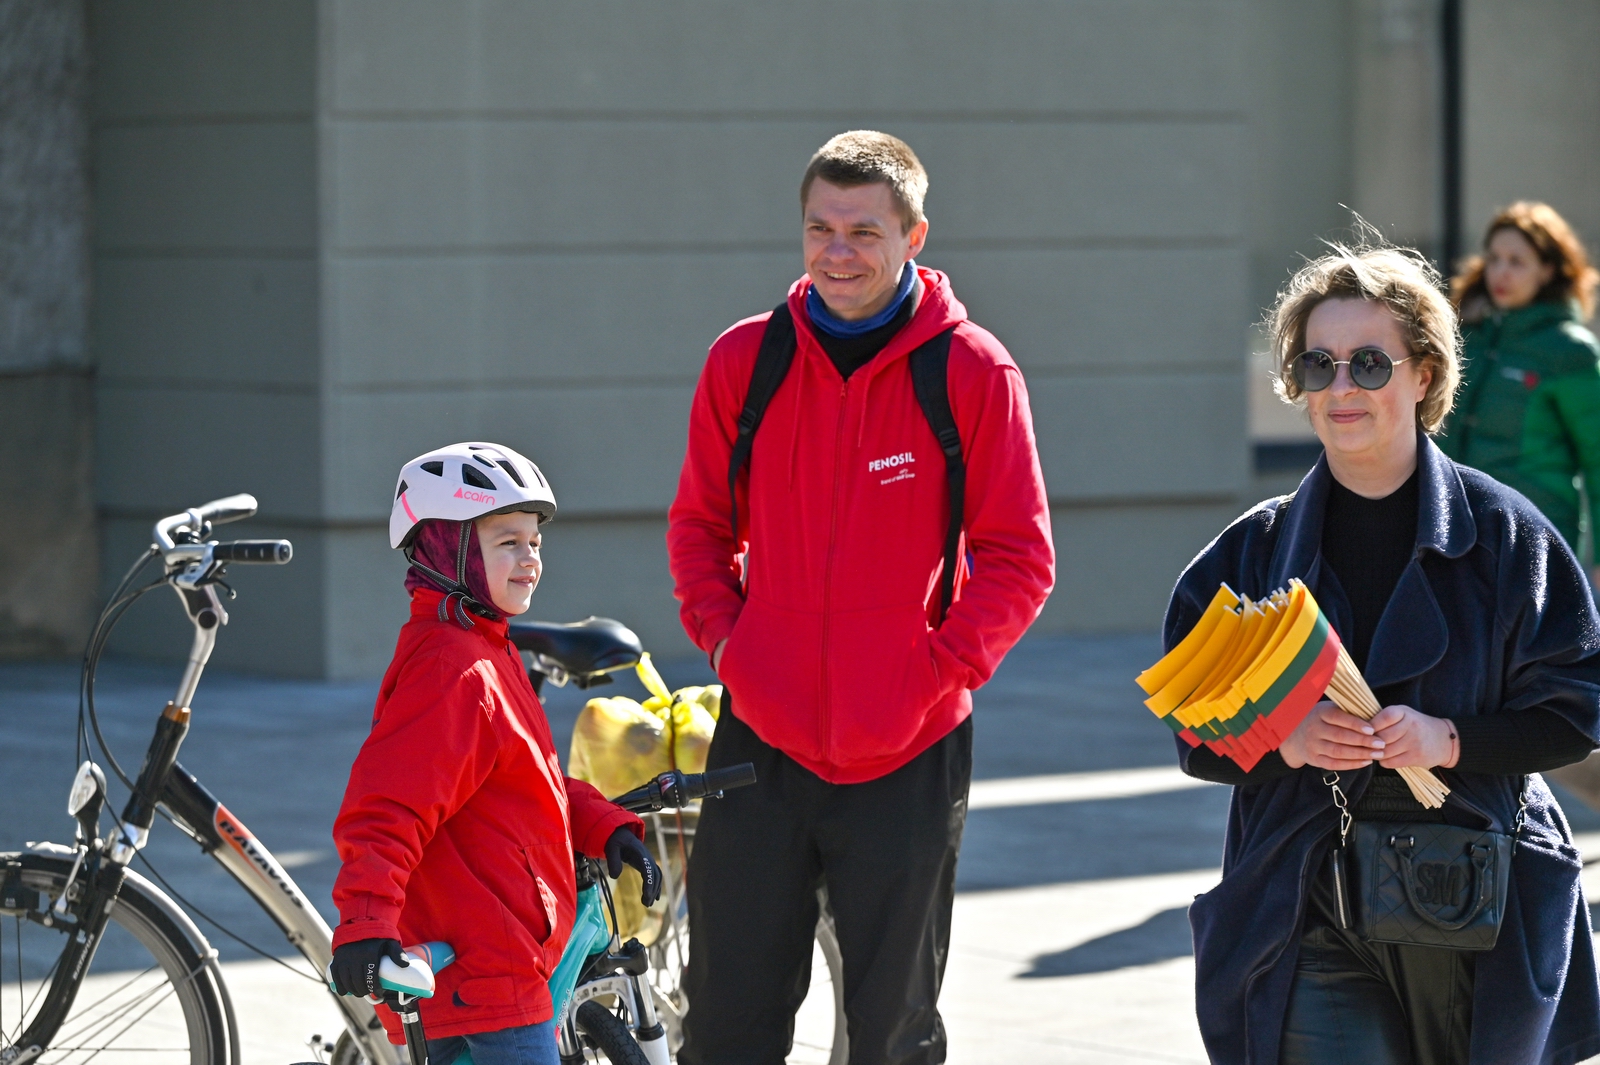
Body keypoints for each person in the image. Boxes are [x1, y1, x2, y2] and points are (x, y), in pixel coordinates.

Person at [667, 131, 1054, 1063]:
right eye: (820, 228)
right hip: (760, 738)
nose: (837, 252)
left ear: (914, 236)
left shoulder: (971, 370)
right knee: (722, 1027)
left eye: (864, 232)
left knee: (893, 1033)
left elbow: (1019, 557)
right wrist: (732, 648)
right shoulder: (746, 360)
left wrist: (932, 672)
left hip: (909, 745)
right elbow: (698, 528)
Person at [1166, 241, 1600, 1064]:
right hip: (1306, 901)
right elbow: (1194, 731)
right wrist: (1286, 740)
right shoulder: (1248, 556)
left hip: (1477, 902)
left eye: (1369, 363)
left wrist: (1450, 739)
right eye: (1318, 364)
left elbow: (1577, 712)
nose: (1342, 387)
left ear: (1424, 375)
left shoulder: (1509, 538)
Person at [327, 442, 661, 1065]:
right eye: (508, 542)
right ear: (445, 550)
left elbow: (527, 777)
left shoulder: (487, 650)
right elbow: (387, 807)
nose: (530, 558)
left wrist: (601, 824)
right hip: (483, 980)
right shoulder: (451, 670)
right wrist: (366, 922)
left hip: (501, 964)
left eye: (535, 541)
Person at [1439, 201, 1600, 583]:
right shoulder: (1463, 336)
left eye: (1517, 261)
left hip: (1536, 539)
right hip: (1457, 533)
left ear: (1547, 270)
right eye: (1494, 258)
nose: (1501, 272)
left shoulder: (1570, 351)